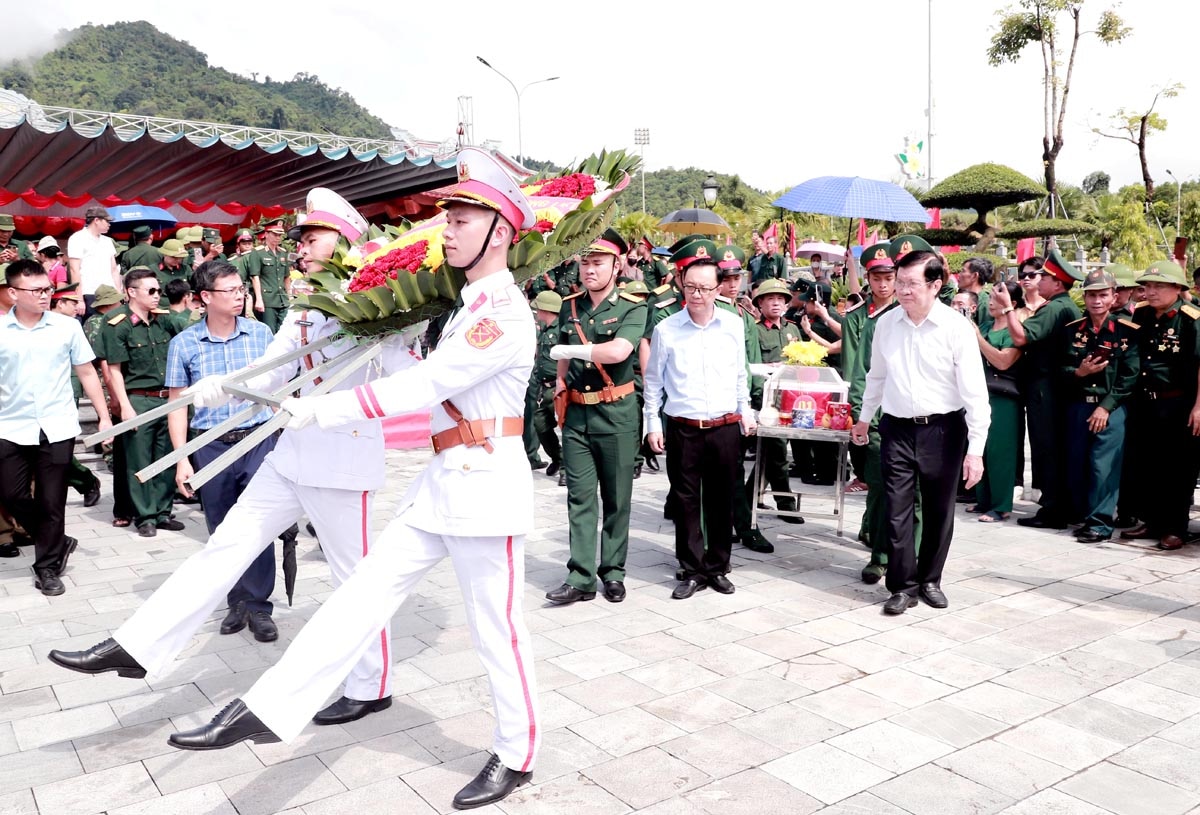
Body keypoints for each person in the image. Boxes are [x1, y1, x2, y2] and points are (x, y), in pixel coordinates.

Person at [53, 149, 544, 811]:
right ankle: (266, 707)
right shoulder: (464, 304)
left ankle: (516, 753)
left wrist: (321, 407)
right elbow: (293, 364)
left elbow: (423, 383)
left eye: (462, 217)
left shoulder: (503, 313)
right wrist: (224, 385)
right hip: (438, 481)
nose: (447, 227)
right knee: (356, 597)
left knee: (497, 630)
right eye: (449, 216)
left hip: (485, 486)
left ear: (503, 233)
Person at [48, 187, 426, 734]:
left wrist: (402, 332)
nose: (301, 248)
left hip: (341, 462)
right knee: (223, 546)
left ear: (344, 241)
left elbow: (402, 378)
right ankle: (137, 645)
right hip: (289, 455)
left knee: (356, 581)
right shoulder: (303, 303)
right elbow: (272, 370)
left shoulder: (383, 302)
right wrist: (219, 388)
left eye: (312, 238)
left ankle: (371, 685)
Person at [852, 249, 990, 615]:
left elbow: (976, 393)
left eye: (912, 283)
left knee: (939, 509)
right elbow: (876, 377)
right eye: (900, 283)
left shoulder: (956, 328)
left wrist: (975, 451)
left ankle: (930, 579)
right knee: (897, 510)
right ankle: (902, 586)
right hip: (896, 428)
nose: (903, 290)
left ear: (936, 285)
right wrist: (865, 418)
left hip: (943, 431)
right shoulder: (886, 324)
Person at [165, 260, 281, 640]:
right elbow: (177, 406)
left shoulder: (261, 334)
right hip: (210, 446)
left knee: (259, 523)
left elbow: (278, 388)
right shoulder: (184, 344)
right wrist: (183, 459)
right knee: (221, 528)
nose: (238, 296)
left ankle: (261, 607)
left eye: (240, 289)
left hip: (257, 439)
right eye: (229, 290)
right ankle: (236, 602)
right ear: (204, 298)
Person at [644, 239, 755, 600]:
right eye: (690, 287)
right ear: (681, 284)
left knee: (722, 499)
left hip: (724, 426)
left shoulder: (733, 325)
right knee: (686, 500)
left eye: (705, 288)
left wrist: (746, 412)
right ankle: (691, 569)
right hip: (683, 428)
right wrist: (652, 424)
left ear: (718, 288)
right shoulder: (667, 329)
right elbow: (653, 382)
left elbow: (741, 374)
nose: (697, 295)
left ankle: (718, 566)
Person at [545, 228, 647, 606]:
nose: (589, 270)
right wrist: (559, 381)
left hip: (616, 413)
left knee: (617, 498)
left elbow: (620, 351)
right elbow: (562, 358)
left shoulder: (633, 305)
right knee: (580, 497)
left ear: (617, 264)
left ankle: (614, 572)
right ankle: (581, 576)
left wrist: (568, 350)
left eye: (597, 262)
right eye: (584, 262)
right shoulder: (570, 305)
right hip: (576, 416)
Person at [0, 259, 113, 595]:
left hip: (57, 426)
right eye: (35, 290)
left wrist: (103, 414)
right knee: (11, 493)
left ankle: (47, 567)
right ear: (13, 293)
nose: (44, 295)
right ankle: (58, 540)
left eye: (47, 289)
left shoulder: (67, 327)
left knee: (52, 502)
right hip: (10, 425)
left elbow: (87, 372)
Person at [990, 249, 1082, 529]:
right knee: (1050, 447)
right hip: (1052, 386)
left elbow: (1020, 337)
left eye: (1044, 276)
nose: (1038, 280)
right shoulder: (1060, 305)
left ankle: (1054, 509)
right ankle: (1058, 506)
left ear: (1057, 283)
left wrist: (1008, 307)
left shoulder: (1055, 307)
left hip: (1047, 387)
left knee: (1047, 448)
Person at [1121, 260, 1200, 551]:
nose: (1150, 292)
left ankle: (1175, 527)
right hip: (1144, 401)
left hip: (1178, 402)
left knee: (1178, 468)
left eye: (1158, 286)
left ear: (1178, 288)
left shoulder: (1191, 318)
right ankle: (1151, 521)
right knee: (1147, 464)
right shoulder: (1141, 314)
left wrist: (1198, 407)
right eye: (1147, 286)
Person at [100, 267, 184, 537]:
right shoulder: (117, 322)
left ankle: (162, 511)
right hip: (139, 398)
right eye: (151, 291)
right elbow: (114, 369)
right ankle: (145, 515)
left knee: (166, 456)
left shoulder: (164, 320)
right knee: (139, 460)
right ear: (131, 292)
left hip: (166, 398)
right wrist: (124, 405)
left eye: (158, 290)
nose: (157, 295)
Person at [1060, 269, 1139, 543]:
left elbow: (1130, 376)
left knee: (1102, 466)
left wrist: (1105, 407)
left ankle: (1101, 524)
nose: (1096, 300)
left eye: (1103, 294)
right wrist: (1078, 373)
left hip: (1111, 409)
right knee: (1078, 463)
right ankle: (1085, 517)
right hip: (1079, 406)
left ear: (1113, 297)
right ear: (1084, 297)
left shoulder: (1126, 331)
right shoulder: (1073, 331)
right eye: (1091, 294)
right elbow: (1059, 369)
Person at [844, 242, 903, 582]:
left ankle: (885, 548)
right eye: (877, 278)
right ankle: (877, 546)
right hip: (875, 414)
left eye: (889, 277)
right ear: (867, 278)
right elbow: (858, 370)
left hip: (908, 416)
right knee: (875, 480)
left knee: (894, 490)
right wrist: (857, 412)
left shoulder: (904, 314)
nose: (883, 285)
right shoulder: (862, 319)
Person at [735, 278, 802, 553]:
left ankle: (748, 501)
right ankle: (785, 502)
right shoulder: (754, 330)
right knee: (774, 450)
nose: (775, 303)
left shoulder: (794, 330)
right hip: (763, 398)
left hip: (789, 397)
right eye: (768, 298)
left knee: (772, 452)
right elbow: (750, 362)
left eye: (780, 299)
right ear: (759, 303)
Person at [972, 281, 1025, 523]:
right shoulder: (984, 325)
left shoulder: (1013, 332)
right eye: (990, 296)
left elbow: (1003, 361)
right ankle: (983, 499)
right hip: (979, 393)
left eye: (998, 296)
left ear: (1012, 304)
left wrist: (977, 339)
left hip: (1004, 397)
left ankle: (1001, 504)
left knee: (1000, 452)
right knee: (979, 448)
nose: (991, 301)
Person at [523, 290, 563, 477]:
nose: (536, 312)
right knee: (540, 424)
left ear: (546, 309)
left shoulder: (563, 329)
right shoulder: (543, 329)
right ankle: (558, 457)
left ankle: (567, 468)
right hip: (543, 385)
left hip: (560, 386)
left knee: (566, 426)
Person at [67, 206, 121, 315]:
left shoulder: (108, 241)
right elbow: (74, 270)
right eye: (107, 221)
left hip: (110, 293)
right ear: (96, 220)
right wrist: (79, 299)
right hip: (90, 292)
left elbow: (114, 270)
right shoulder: (77, 238)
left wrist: (119, 292)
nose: (109, 224)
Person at [248, 218, 290, 332]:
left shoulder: (283, 252)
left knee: (286, 330)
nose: (278, 237)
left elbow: (286, 277)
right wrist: (259, 300)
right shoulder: (257, 252)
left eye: (280, 235)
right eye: (275, 234)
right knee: (270, 331)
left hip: (283, 299)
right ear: (266, 234)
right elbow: (255, 277)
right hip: (268, 300)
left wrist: (289, 296)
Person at [957, 257, 993, 326]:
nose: (959, 274)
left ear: (974, 276)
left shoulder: (985, 303)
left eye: (963, 271)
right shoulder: (959, 296)